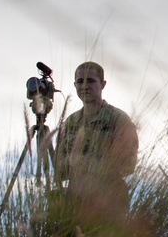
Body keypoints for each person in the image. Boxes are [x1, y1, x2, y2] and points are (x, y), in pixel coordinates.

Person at [54, 61, 138, 228]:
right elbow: (59, 171)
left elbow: (128, 165)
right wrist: (70, 161)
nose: (84, 86)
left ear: (103, 84)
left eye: (91, 81)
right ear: (74, 85)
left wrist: (86, 164)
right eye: (80, 82)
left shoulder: (118, 119)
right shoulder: (70, 122)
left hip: (109, 204)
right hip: (74, 204)